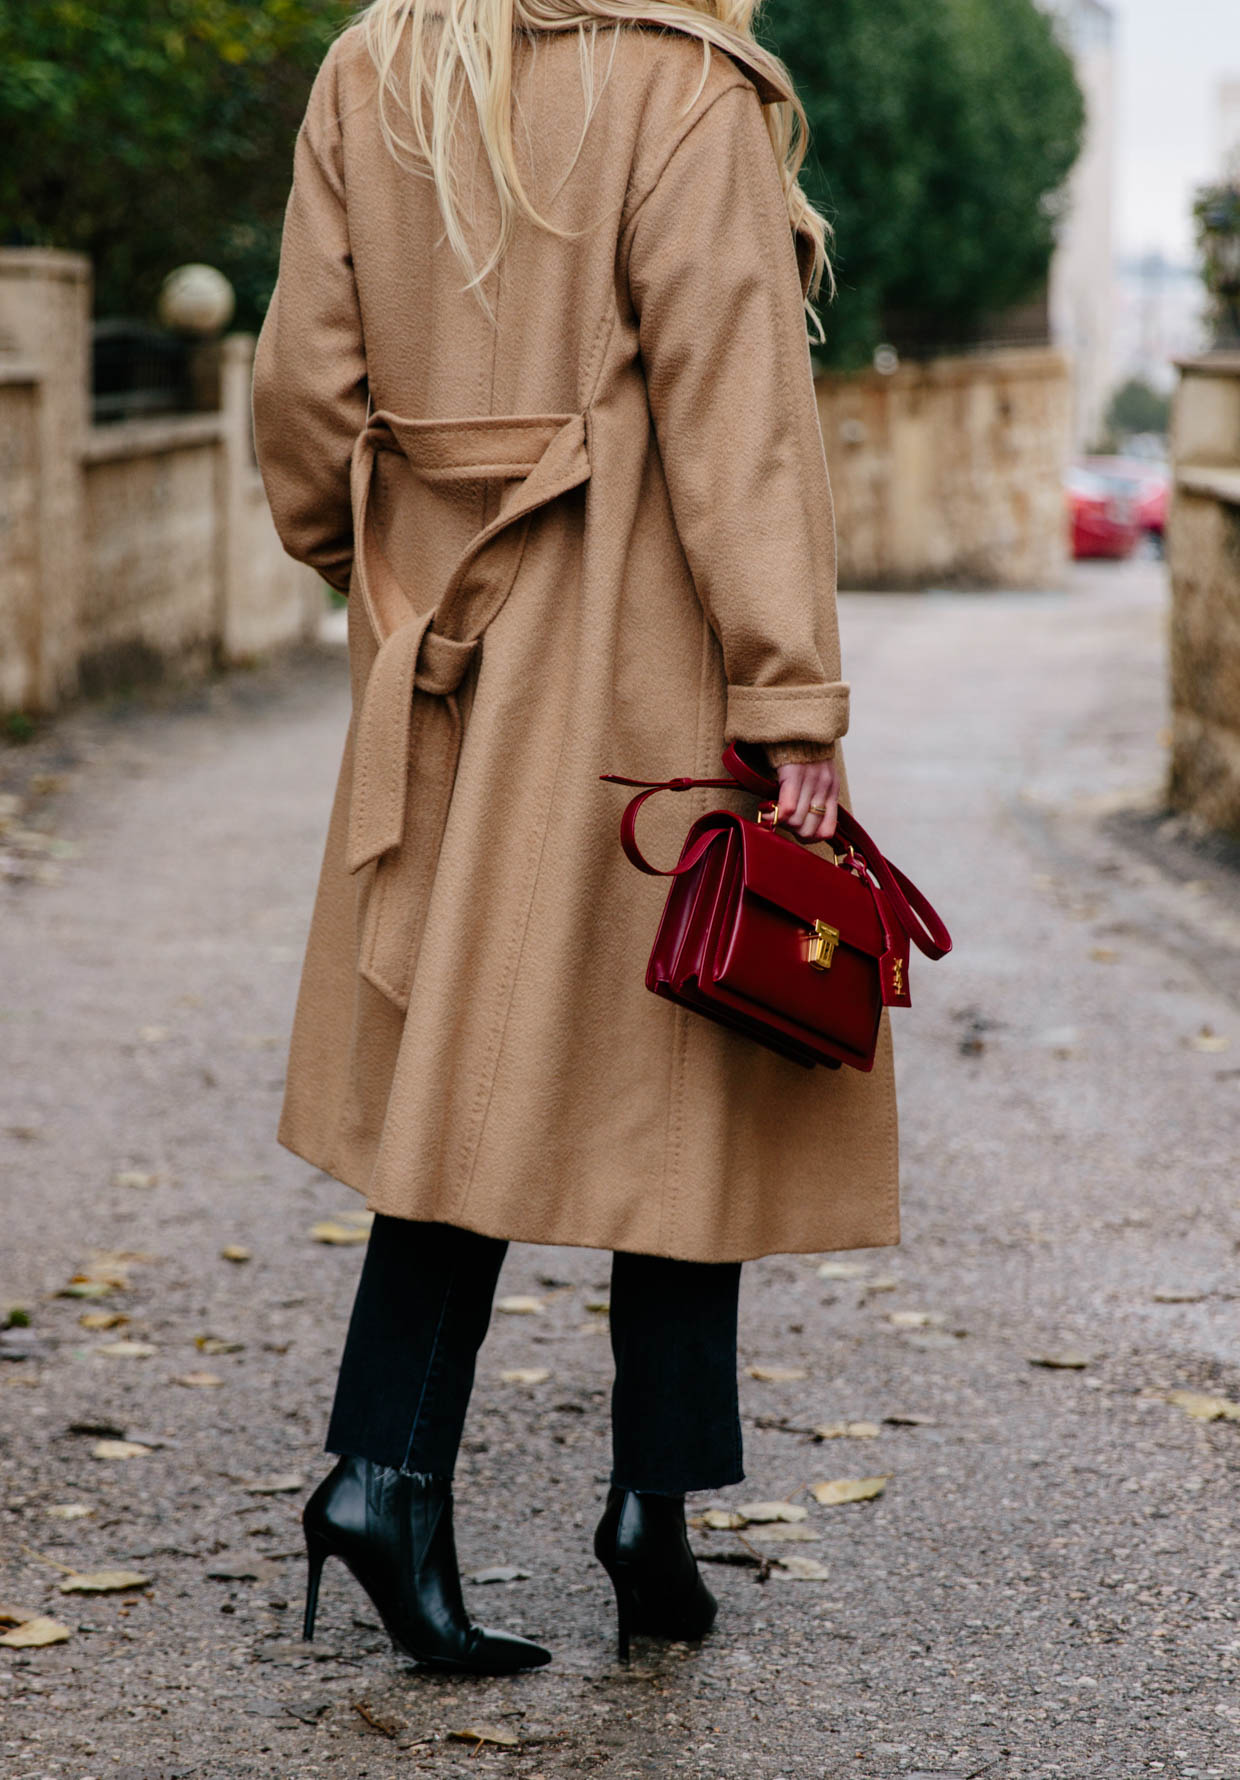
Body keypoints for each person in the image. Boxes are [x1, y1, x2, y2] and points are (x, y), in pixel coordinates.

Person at [252, 0, 899, 1676]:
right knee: (690, 1050)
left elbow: (307, 396)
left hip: (448, 648)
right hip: (638, 643)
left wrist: (380, 580)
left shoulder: (375, 61)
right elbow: (734, 406)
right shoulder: (684, 84)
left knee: (467, 1066)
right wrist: (789, 691)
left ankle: (408, 1479)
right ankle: (629, 1513)